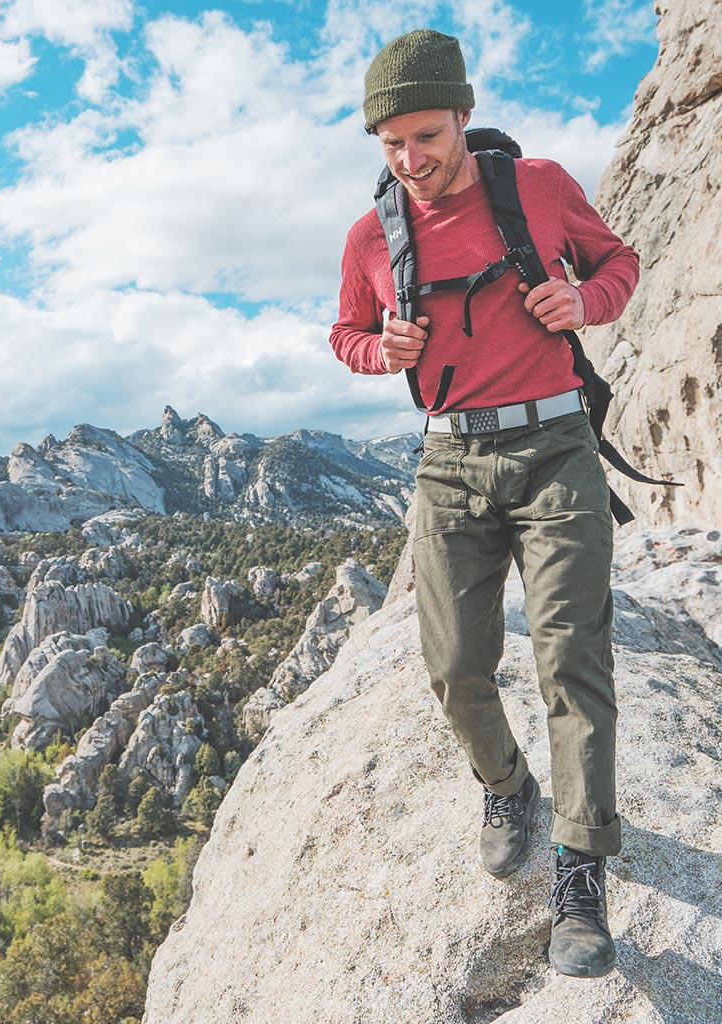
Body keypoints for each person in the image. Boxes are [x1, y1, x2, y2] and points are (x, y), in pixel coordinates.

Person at [329, 28, 639, 979]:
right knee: (456, 667)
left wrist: (583, 304)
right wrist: (379, 352)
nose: (411, 161)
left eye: (426, 135)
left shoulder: (538, 186)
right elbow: (343, 330)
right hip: (450, 465)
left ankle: (579, 874)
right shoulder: (371, 234)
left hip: (554, 449)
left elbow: (618, 262)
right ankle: (506, 786)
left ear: (463, 115)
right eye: (392, 145)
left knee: (571, 659)